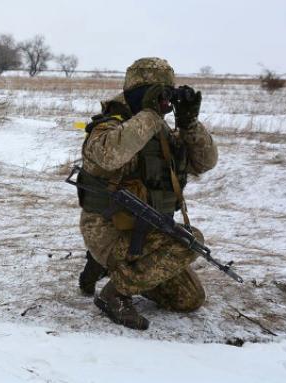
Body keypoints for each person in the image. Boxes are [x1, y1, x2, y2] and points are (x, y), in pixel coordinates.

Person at [77, 57, 218, 330]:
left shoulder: (161, 131)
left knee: (190, 298)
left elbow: (205, 162)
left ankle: (109, 268)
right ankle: (115, 293)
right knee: (190, 241)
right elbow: (106, 155)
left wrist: (189, 124)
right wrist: (150, 115)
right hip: (110, 230)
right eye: (159, 92)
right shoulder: (110, 124)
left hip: (147, 230)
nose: (165, 102)